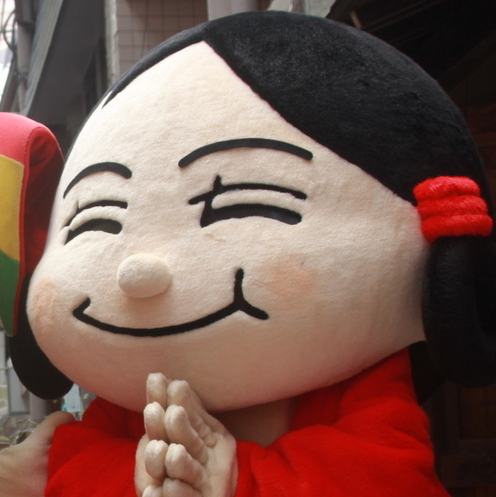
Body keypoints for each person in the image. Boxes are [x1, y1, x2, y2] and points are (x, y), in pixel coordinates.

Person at [4, 11, 496, 497]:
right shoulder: (126, 400)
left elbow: (387, 476)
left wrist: (236, 480)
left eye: (236, 202)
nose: (138, 271)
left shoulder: (354, 386)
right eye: (95, 219)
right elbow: (74, 460)